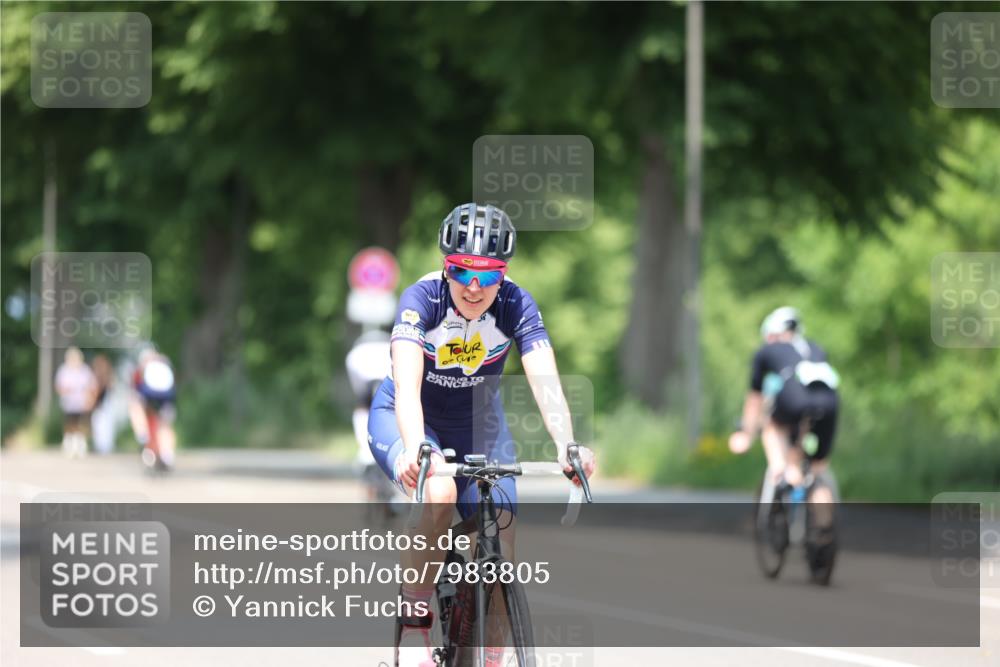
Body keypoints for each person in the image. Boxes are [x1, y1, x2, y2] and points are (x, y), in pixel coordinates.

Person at [368, 203, 596, 667]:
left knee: (502, 542)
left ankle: (493, 657)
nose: (474, 287)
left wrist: (566, 444)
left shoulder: (516, 303)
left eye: (488, 276)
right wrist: (417, 448)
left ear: (504, 274)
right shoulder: (422, 300)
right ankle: (415, 624)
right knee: (440, 490)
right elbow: (408, 386)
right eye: (462, 272)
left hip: (477, 425)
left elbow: (546, 380)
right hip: (408, 416)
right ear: (445, 266)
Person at [729, 307, 840, 519]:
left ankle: (781, 473)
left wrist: (745, 433)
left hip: (793, 398)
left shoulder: (766, 352)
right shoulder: (815, 348)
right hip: (831, 402)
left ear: (771, 335)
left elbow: (755, 399)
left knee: (771, 425)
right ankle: (824, 525)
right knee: (817, 468)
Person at [344, 329, 398, 506]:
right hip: (389, 366)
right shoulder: (388, 347)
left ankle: (365, 457)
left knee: (362, 409)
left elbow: (358, 390)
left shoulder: (355, 356)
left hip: (364, 375)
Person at [129, 345, 178, 470]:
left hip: (148, 398)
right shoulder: (165, 363)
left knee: (136, 408)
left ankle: (142, 436)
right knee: (165, 425)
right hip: (167, 398)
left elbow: (135, 392)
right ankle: (167, 454)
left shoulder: (140, 370)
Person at [55, 347, 97, 458]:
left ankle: (80, 446)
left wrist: (89, 399)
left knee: (82, 425)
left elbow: (91, 385)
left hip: (82, 403)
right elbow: (59, 386)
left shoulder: (85, 370)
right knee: (69, 424)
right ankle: (69, 445)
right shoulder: (64, 370)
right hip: (69, 403)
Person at [89, 354, 117, 455]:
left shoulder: (102, 378)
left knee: (100, 426)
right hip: (104, 405)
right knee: (102, 426)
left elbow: (97, 392)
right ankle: (103, 446)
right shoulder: (106, 377)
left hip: (103, 405)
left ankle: (103, 446)